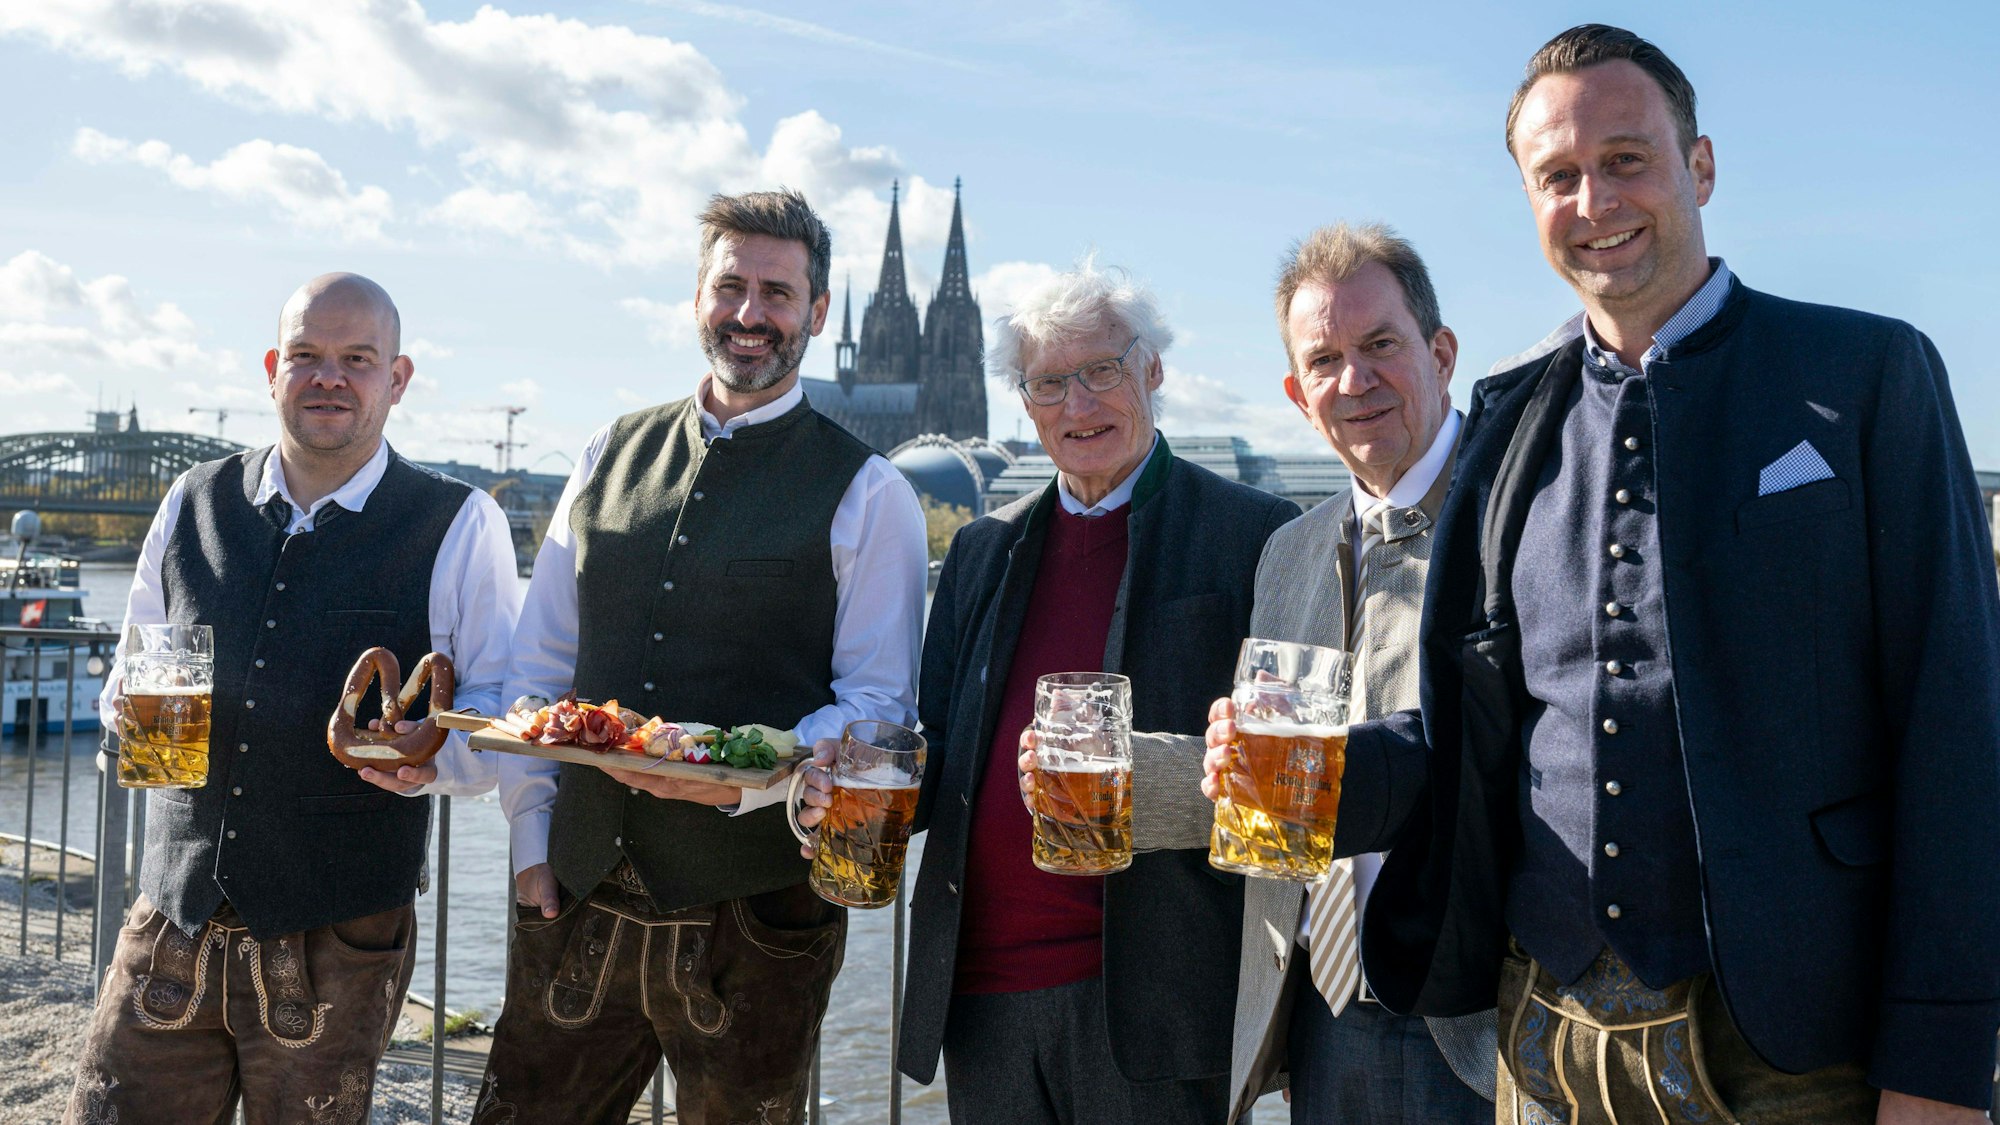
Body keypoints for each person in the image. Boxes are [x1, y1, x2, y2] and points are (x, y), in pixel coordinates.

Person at [1208, 24, 2000, 1124]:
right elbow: (1474, 731)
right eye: (1557, 177)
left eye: (1624, 160)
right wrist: (1312, 772)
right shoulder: (1510, 414)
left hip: (1793, 1049)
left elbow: (1956, 730)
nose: (1593, 202)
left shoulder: (1865, 374)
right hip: (1541, 1045)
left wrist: (1939, 1066)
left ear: (1700, 167)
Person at [475, 189, 927, 1125]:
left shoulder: (873, 492)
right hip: (576, 891)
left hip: (757, 916)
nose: (751, 313)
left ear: (819, 313)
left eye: (777, 291)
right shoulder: (610, 448)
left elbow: (880, 705)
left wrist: (742, 774)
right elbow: (538, 667)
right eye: (731, 286)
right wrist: (529, 844)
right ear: (696, 296)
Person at [66, 273, 520, 1124]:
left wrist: (428, 765)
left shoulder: (458, 523)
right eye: (307, 356)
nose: (329, 378)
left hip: (338, 932)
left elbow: (496, 711)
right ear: (274, 367)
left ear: (398, 377)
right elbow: (133, 666)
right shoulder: (191, 499)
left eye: (357, 359)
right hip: (173, 910)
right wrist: (121, 710)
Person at [852, 259, 1298, 1124]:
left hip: (1156, 1000)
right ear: (1024, 402)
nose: (1078, 405)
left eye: (1102, 371)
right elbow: (942, 744)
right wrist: (849, 769)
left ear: (1154, 371)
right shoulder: (986, 547)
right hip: (982, 995)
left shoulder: (1256, 535)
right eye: (1050, 382)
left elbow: (1285, 794)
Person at [1216, 223, 1494, 1123]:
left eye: (1381, 345)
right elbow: (1270, 795)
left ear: (1441, 353)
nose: (1355, 380)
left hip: (1486, 1019)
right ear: (1299, 396)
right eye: (1326, 359)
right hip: (1325, 1017)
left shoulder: (1522, 512)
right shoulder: (1288, 550)